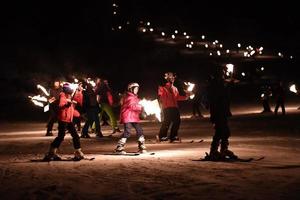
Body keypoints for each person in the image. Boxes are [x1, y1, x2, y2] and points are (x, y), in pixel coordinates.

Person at [43, 83, 84, 161]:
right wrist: (66, 105)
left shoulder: (69, 96)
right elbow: (61, 105)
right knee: (61, 136)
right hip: (63, 119)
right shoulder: (62, 95)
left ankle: (78, 152)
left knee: (75, 136)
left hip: (69, 120)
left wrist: (79, 91)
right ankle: (51, 152)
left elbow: (79, 101)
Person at [206, 67, 237, 160]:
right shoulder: (215, 84)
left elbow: (225, 95)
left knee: (225, 132)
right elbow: (220, 95)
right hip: (218, 111)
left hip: (222, 111)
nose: (224, 75)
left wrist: (229, 85)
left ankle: (223, 149)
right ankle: (214, 151)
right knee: (220, 131)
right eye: (222, 73)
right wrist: (229, 85)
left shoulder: (219, 83)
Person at [115, 83, 147, 154]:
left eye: (137, 89)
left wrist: (145, 106)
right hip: (128, 117)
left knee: (139, 130)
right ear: (131, 89)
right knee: (127, 132)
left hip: (134, 117)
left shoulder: (135, 97)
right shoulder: (129, 97)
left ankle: (141, 146)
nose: (136, 90)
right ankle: (119, 147)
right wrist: (140, 107)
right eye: (135, 89)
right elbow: (132, 106)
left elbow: (138, 103)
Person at [157, 72, 189, 142]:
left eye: (173, 78)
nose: (172, 79)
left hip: (175, 107)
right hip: (167, 107)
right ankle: (162, 136)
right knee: (167, 121)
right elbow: (160, 96)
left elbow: (177, 97)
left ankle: (173, 136)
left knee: (177, 121)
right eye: (170, 78)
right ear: (167, 79)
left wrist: (186, 97)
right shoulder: (162, 88)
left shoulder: (175, 88)